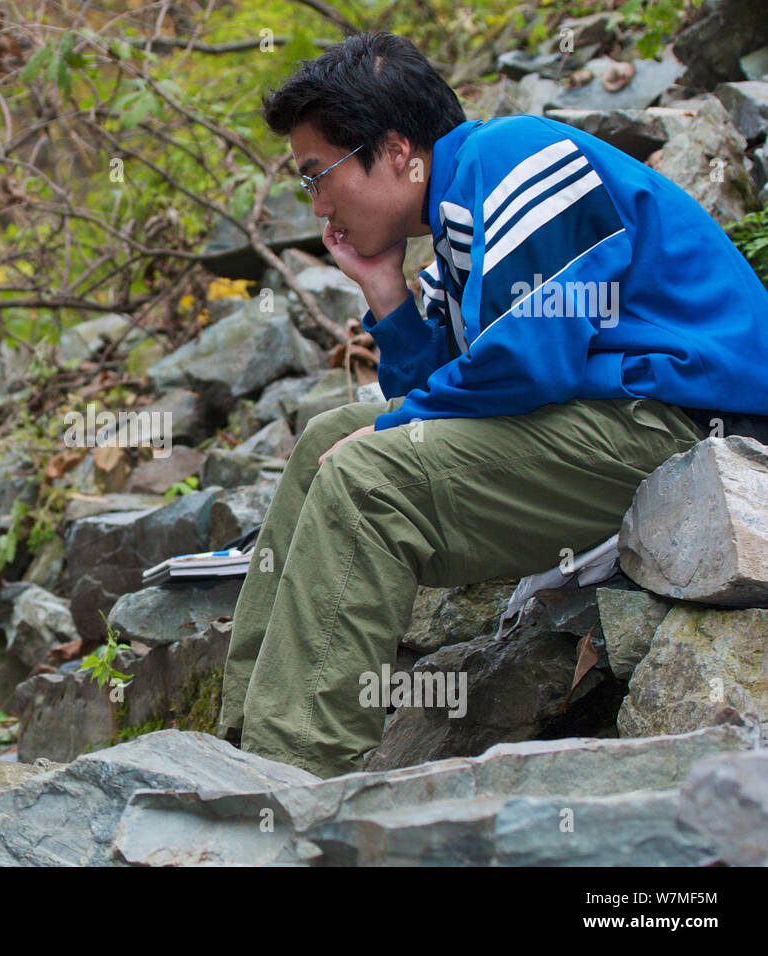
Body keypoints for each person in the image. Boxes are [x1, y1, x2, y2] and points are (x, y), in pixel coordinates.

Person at [216, 31, 768, 779]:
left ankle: (288, 780)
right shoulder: (452, 229)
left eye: (320, 175)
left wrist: (394, 426)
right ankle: (236, 750)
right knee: (328, 442)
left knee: (368, 476)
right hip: (607, 422)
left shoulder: (517, 156)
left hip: (689, 428)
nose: (317, 205)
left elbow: (527, 363)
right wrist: (385, 291)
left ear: (399, 148)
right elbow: (440, 396)